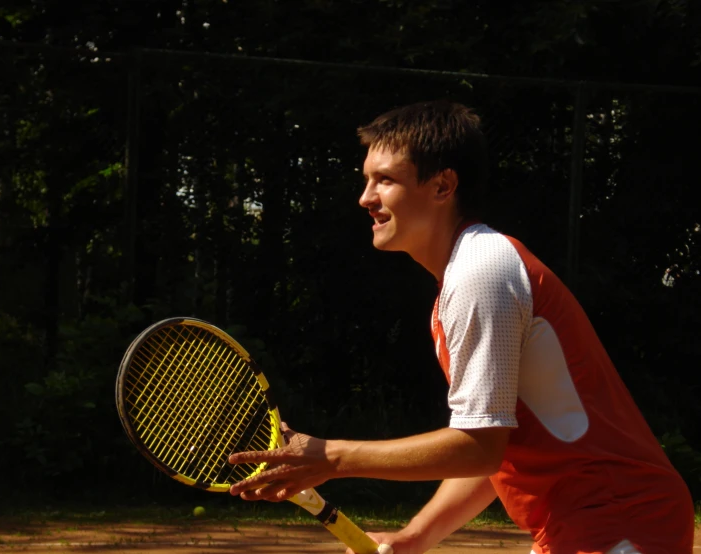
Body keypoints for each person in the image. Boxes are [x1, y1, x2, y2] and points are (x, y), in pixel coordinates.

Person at [228, 100, 695, 554]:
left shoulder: (481, 271)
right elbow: (497, 448)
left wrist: (332, 456)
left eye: (384, 180)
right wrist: (412, 539)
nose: (365, 198)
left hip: (619, 522)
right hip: (589, 524)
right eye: (367, 180)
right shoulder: (468, 273)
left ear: (442, 186)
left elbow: (479, 447)